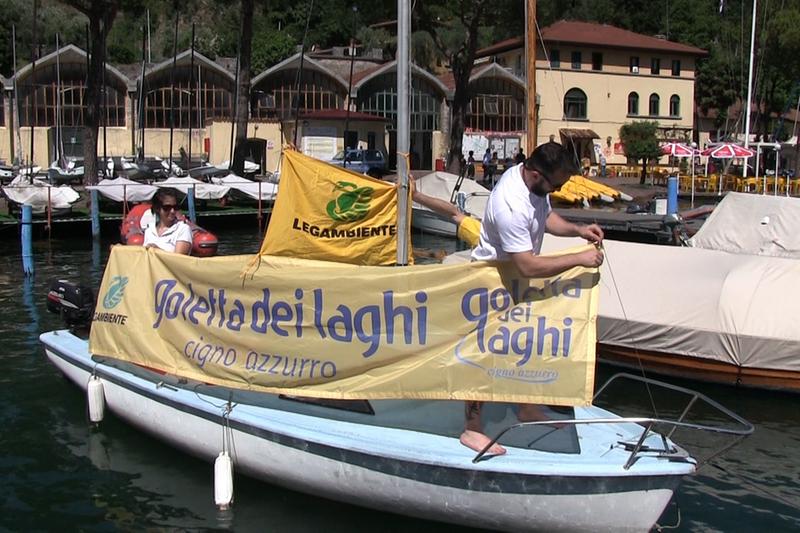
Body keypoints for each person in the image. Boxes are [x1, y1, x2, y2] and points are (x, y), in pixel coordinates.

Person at [465, 141, 605, 456]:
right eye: (556, 184)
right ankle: (472, 428)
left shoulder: (535, 186)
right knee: (483, 357)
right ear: (537, 174)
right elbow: (527, 264)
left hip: (516, 283)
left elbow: (545, 218)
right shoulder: (510, 204)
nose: (558, 189)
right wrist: (580, 259)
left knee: (524, 345)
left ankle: (526, 408)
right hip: (490, 282)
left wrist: (579, 230)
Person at [410, 176, 480, 247]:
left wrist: (416, 196)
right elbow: (454, 213)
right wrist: (416, 195)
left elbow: (454, 214)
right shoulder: (482, 234)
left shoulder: (482, 234)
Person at [142, 188, 192, 255]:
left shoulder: (183, 229)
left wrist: (157, 250)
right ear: (157, 208)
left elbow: (180, 260)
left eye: (175, 207)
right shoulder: (149, 231)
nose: (172, 211)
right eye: (167, 207)